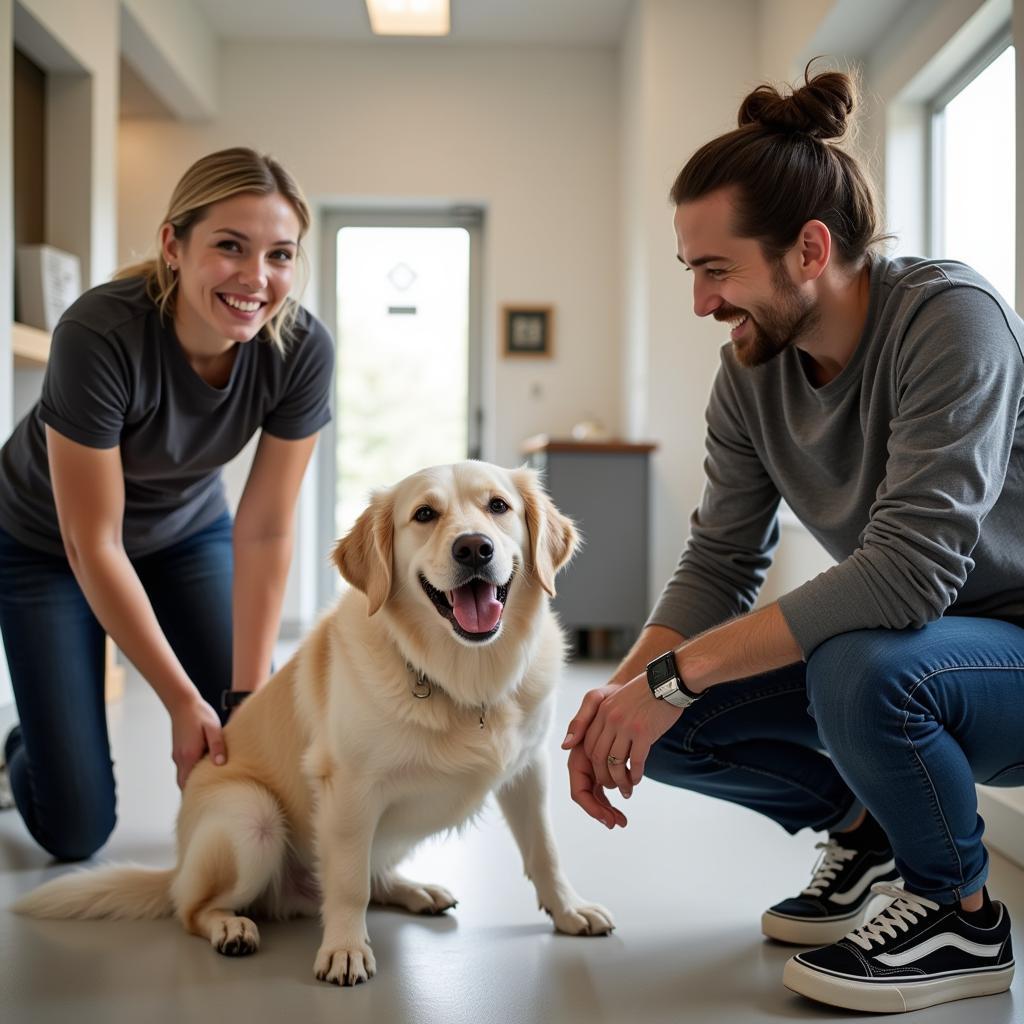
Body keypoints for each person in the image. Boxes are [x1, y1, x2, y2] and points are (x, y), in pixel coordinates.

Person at [563, 66, 1021, 1014]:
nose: (701, 302)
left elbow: (908, 576)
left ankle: (961, 913)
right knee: (657, 715)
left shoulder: (951, 319)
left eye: (715, 270)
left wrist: (672, 676)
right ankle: (864, 832)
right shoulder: (751, 373)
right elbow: (720, 561)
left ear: (810, 248)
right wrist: (625, 696)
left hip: (1005, 652)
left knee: (859, 664)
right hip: (925, 647)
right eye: (692, 269)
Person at [0, 147, 334, 863]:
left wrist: (246, 696)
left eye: (280, 254)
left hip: (186, 536)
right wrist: (184, 700)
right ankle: (30, 740)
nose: (256, 278)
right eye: (229, 247)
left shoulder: (301, 349)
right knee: (76, 829)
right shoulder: (100, 334)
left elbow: (268, 528)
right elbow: (94, 543)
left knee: (251, 741)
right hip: (44, 545)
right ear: (173, 246)